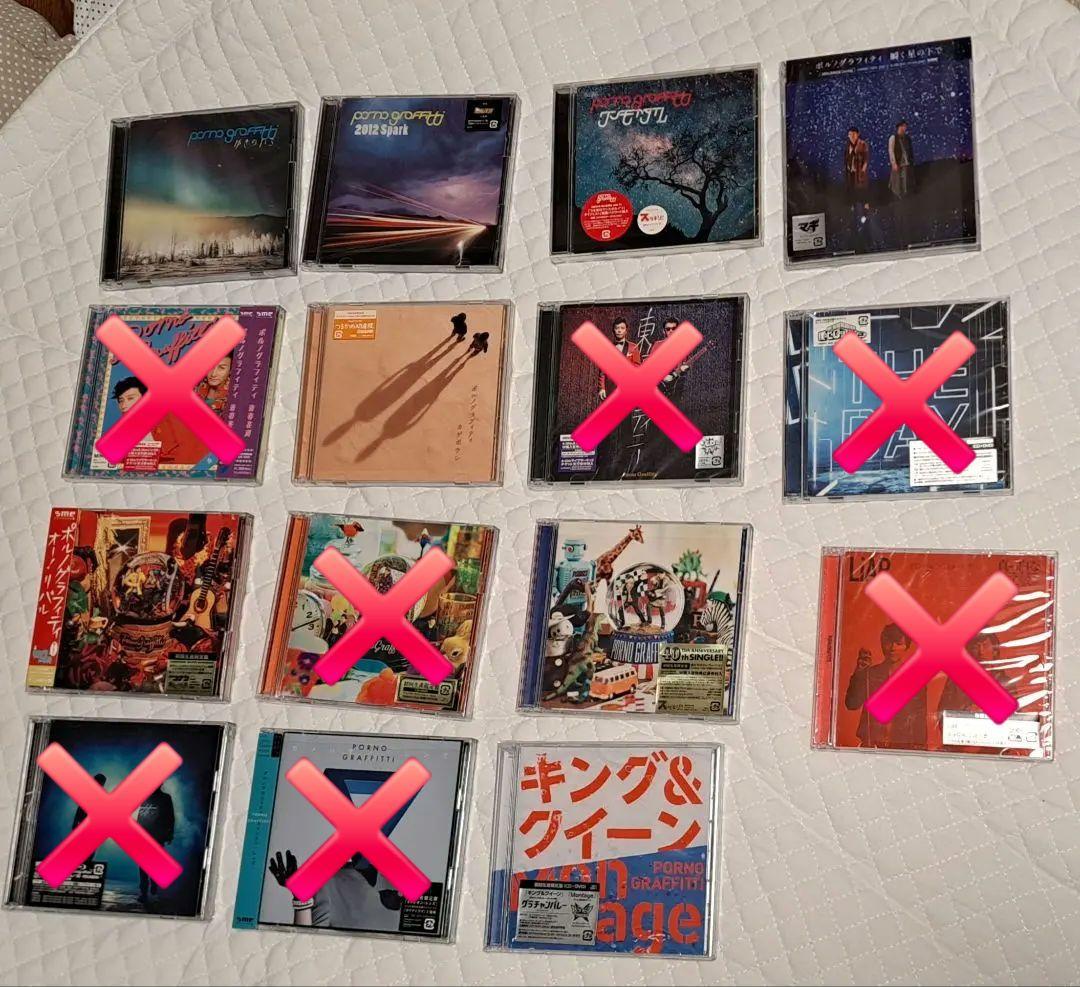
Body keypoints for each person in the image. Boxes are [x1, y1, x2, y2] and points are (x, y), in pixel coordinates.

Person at [844, 622, 927, 748]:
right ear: (882, 644)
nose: (893, 648)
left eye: (898, 643)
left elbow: (920, 719)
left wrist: (920, 749)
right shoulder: (870, 673)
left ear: (906, 646)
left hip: (903, 746)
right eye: (889, 642)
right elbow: (852, 704)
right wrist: (859, 673)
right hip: (871, 745)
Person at [111, 376, 206, 467]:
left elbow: (187, 455)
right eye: (121, 400)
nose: (124, 405)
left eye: (130, 398)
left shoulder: (169, 418)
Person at [135, 784, 175, 905]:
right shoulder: (148, 797)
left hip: (157, 836)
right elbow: (141, 816)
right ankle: (145, 891)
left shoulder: (165, 798)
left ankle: (152, 888)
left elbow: (170, 817)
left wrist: (169, 834)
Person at [597, 317, 641, 401]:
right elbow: (602, 371)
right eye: (617, 328)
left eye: (622, 328)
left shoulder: (633, 347)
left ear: (626, 330)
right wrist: (602, 388)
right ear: (613, 330)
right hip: (610, 387)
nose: (619, 330)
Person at [888, 120, 914, 199]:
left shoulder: (907, 138)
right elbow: (891, 151)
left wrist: (911, 160)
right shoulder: (893, 138)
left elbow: (910, 150)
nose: (905, 128)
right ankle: (896, 195)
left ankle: (904, 195)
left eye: (905, 126)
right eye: (903, 126)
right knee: (896, 180)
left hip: (906, 162)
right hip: (898, 162)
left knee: (905, 180)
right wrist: (893, 163)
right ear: (899, 127)